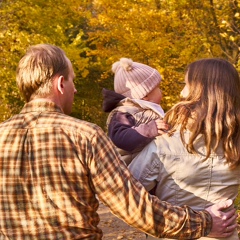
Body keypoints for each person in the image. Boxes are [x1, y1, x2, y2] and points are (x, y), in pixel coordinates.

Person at [0, 44, 236, 240]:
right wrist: (205, 222)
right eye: (72, 80)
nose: (76, 88)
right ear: (60, 84)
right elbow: (134, 207)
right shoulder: (85, 135)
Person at [129, 58, 240, 240]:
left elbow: (128, 195)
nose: (181, 92)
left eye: (186, 84)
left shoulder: (165, 143)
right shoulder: (235, 143)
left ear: (199, 91)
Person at [102, 57, 168, 165]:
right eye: (158, 87)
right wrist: (149, 129)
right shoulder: (123, 113)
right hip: (131, 171)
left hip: (149, 167)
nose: (161, 91)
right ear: (145, 94)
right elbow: (120, 138)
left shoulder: (148, 111)